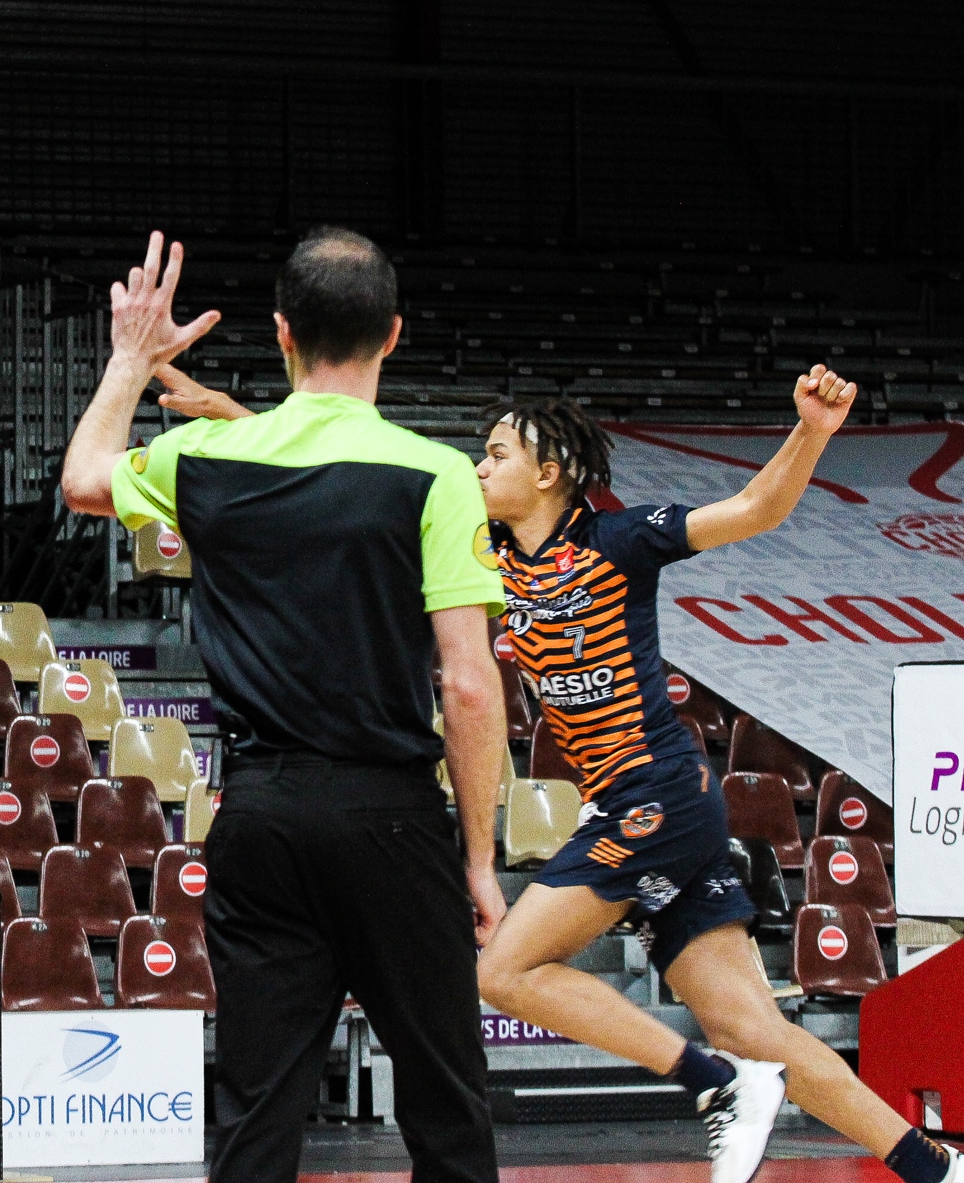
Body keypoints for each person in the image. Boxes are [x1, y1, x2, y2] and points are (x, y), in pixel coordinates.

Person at [154, 365, 963, 1183]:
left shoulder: (622, 540)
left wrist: (813, 431)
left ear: (548, 472)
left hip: (657, 800)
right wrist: (236, 414)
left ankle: (714, 1084)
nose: (478, 467)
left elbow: (756, 510)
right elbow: (351, 471)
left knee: (504, 971)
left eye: (496, 453)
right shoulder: (489, 554)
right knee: (758, 1029)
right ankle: (936, 1169)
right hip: (636, 807)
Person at [61, 228, 510, 1183]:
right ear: (392, 335)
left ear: (279, 335)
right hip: (393, 820)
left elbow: (84, 477)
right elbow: (469, 684)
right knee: (445, 1103)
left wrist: (131, 359)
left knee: (259, 1109)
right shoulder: (438, 473)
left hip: (260, 815)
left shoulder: (206, 459)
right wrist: (477, 856)